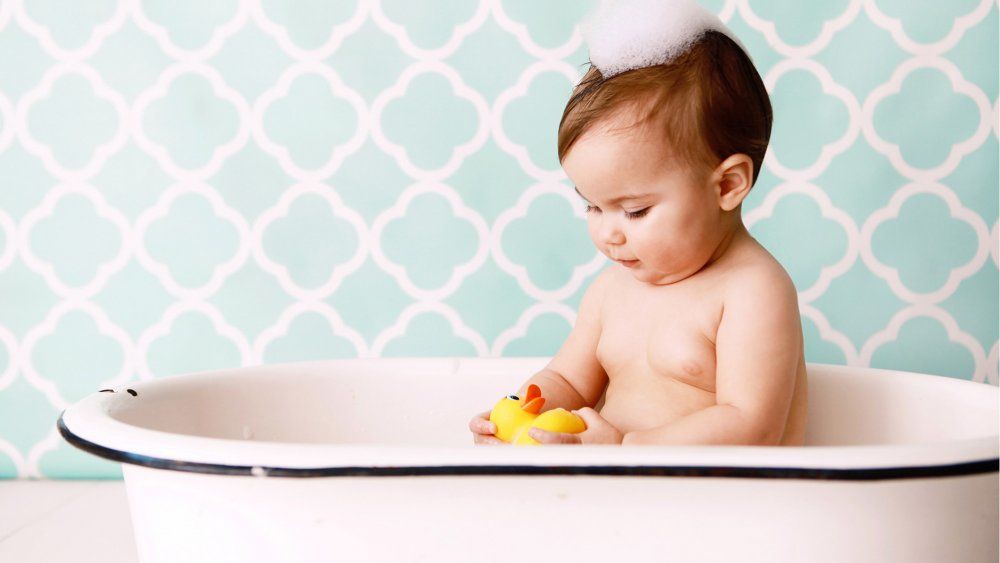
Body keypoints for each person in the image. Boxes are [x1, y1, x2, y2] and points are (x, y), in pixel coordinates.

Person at [469, 3, 807, 446]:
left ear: (727, 185)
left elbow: (752, 426)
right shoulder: (611, 292)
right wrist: (520, 411)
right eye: (593, 207)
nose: (609, 232)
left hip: (722, 508)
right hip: (622, 502)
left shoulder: (752, 291)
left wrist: (626, 450)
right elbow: (567, 381)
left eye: (635, 211)